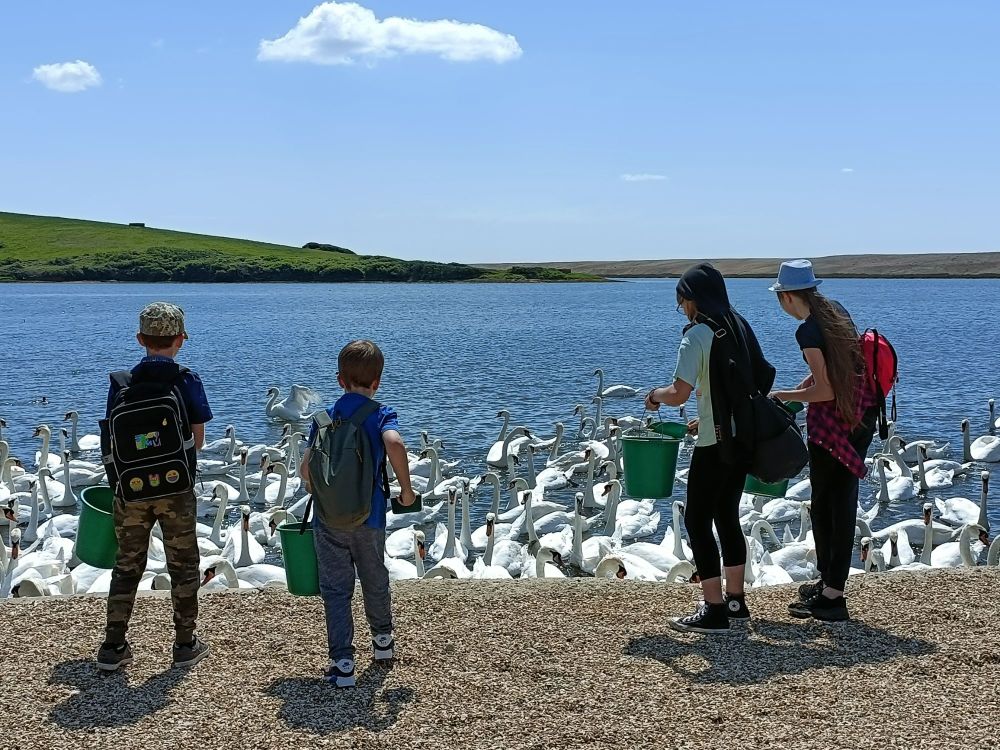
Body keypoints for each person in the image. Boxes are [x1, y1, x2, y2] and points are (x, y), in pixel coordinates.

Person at [646, 264, 775, 633]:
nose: (682, 309)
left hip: (713, 444)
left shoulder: (698, 334)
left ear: (692, 299)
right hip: (741, 438)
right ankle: (736, 603)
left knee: (696, 521)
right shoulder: (739, 325)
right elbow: (752, 379)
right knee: (727, 517)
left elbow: (678, 394)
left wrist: (653, 397)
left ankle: (713, 609)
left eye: (681, 302)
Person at [98, 302, 213, 671]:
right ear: (180, 339)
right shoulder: (186, 379)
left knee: (127, 565)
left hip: (130, 490)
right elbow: (199, 438)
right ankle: (184, 644)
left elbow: (111, 441)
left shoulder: (121, 383)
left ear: (140, 339)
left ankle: (113, 646)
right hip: (175, 490)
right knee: (183, 564)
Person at [299, 340, 417, 688]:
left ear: (340, 380)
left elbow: (307, 470)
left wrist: (324, 489)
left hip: (328, 520)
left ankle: (343, 663)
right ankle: (382, 643)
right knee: (374, 578)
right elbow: (395, 443)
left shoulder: (323, 419)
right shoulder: (380, 414)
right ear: (377, 382)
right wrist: (406, 491)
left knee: (336, 590)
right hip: (371, 516)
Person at [769, 259, 877, 622]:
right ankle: (830, 582)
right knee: (841, 501)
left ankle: (833, 595)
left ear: (787, 297)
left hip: (833, 426)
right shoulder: (835, 313)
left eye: (780, 296)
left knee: (827, 504)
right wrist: (806, 386)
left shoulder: (807, 331)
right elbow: (837, 370)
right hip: (861, 415)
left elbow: (826, 389)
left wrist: (784, 395)